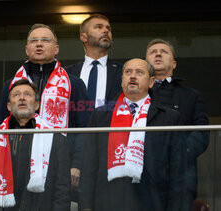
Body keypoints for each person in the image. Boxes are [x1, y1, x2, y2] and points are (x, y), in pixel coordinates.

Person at [79, 58, 186, 211]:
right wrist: (86, 207)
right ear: (122, 80)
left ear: (151, 82)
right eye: (128, 72)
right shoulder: (101, 116)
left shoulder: (168, 117)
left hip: (152, 200)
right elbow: (89, 164)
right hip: (108, 199)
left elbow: (177, 170)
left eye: (139, 72)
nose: (133, 76)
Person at [0, 23, 90, 191]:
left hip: (60, 165)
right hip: (16, 165)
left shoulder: (75, 84)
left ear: (56, 49)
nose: (39, 44)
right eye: (34, 40)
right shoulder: (11, 85)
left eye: (45, 40)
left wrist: (77, 164)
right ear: (27, 49)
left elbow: (85, 128)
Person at [0, 79, 71, 210]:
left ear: (37, 105)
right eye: (16, 95)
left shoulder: (55, 138)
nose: (21, 98)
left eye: (27, 94)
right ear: (9, 106)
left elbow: (62, 189)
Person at [146, 38, 209, 210]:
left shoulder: (191, 95)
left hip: (181, 178)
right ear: (146, 64)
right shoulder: (134, 96)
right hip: (143, 177)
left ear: (174, 64)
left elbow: (201, 134)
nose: (158, 54)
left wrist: (177, 155)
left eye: (164, 51)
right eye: (153, 52)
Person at [65, 14, 123, 108]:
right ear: (84, 37)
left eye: (108, 28)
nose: (106, 30)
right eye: (99, 27)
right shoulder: (66, 74)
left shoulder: (123, 72)